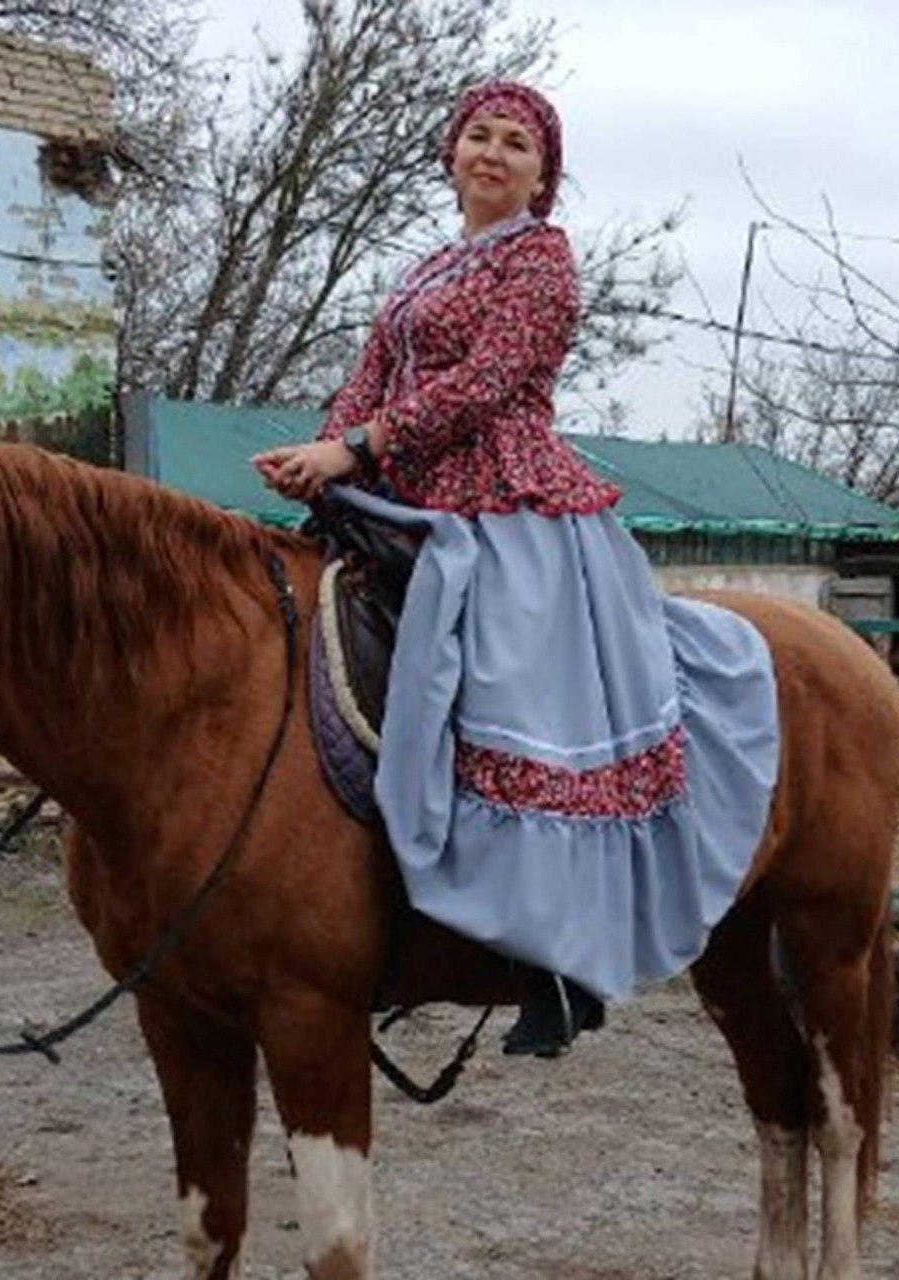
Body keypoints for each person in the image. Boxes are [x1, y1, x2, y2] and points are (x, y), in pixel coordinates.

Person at [253, 82, 779, 1058]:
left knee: (514, 686)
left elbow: (487, 381)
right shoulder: (423, 270)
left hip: (506, 501)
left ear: (542, 176)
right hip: (400, 491)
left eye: (515, 144)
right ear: (451, 156)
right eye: (476, 137)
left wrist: (356, 447)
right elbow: (369, 375)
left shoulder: (542, 259)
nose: (491, 153)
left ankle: (553, 954)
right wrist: (317, 454)